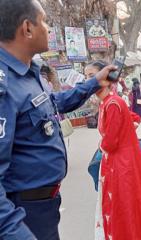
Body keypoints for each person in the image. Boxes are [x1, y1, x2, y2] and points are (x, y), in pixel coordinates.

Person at [0, 0, 117, 238]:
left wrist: (94, 83)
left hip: (44, 206)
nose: (48, 29)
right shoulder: (5, 86)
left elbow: (55, 104)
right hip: (22, 215)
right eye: (43, 21)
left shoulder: (30, 73)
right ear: (27, 28)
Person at [85, 62, 141, 240]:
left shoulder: (112, 103)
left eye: (92, 75)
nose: (88, 80)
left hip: (120, 164)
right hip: (123, 160)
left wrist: (105, 144)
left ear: (107, 77)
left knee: (123, 207)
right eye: (87, 76)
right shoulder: (110, 101)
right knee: (128, 206)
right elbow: (134, 118)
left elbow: (110, 143)